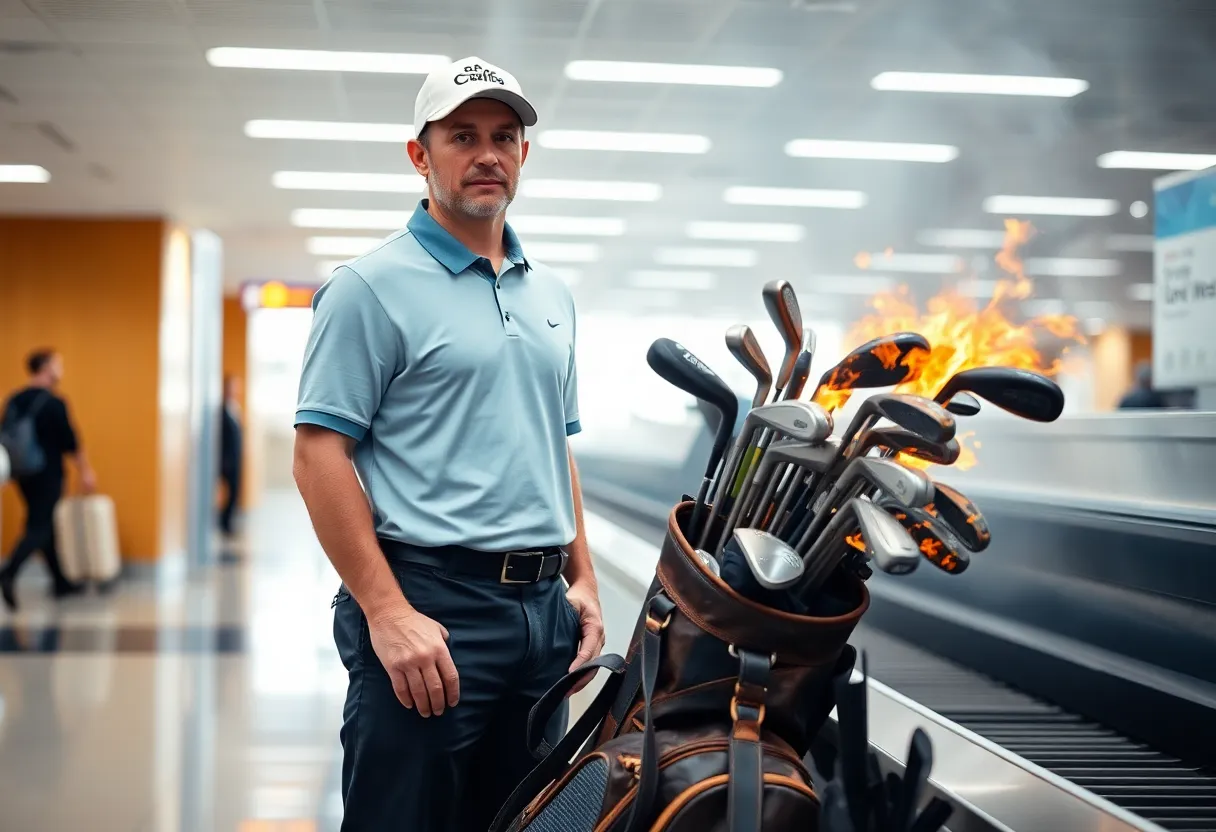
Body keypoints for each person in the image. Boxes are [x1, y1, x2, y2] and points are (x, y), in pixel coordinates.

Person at [292, 56, 605, 831]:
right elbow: (317, 455)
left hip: (541, 622)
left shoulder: (551, 295)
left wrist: (585, 580)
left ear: (524, 155)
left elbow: (553, 446)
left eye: (505, 136)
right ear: (420, 154)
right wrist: (386, 612)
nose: (488, 153)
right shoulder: (369, 288)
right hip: (433, 609)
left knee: (523, 819)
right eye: (463, 135)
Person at [0, 348, 95, 611]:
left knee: (43, 523)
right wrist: (86, 470)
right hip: (48, 473)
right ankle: (9, 572)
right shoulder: (54, 403)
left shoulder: (15, 400)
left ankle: (61, 582)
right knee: (39, 526)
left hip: (22, 474)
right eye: (58, 364)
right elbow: (71, 441)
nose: (60, 370)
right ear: (45, 368)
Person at [218, 374, 243, 539]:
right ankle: (223, 524)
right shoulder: (221, 410)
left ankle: (229, 523)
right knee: (227, 493)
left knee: (235, 492)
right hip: (226, 460)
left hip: (236, 459)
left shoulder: (235, 408)